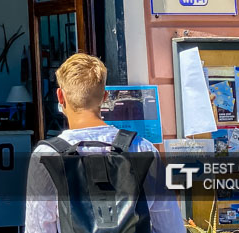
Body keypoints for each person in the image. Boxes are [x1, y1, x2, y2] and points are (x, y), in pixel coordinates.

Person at [25, 53, 184, 233]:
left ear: (60, 97)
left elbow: (38, 227)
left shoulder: (46, 155)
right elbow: (171, 226)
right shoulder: (142, 148)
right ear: (105, 97)